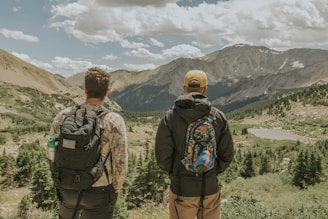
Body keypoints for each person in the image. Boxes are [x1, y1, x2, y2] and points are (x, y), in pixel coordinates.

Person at [48, 67, 128, 219]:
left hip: (66, 186)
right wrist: (115, 188)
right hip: (99, 189)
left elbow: (51, 149)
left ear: (85, 90)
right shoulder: (113, 120)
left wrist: (57, 177)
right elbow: (120, 161)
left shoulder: (63, 115)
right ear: (108, 91)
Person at [155, 70, 234, 219]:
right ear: (205, 89)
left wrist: (176, 173)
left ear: (184, 88)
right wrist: (212, 170)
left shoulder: (170, 117)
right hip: (210, 189)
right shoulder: (218, 116)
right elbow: (227, 154)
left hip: (182, 190)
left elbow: (162, 156)